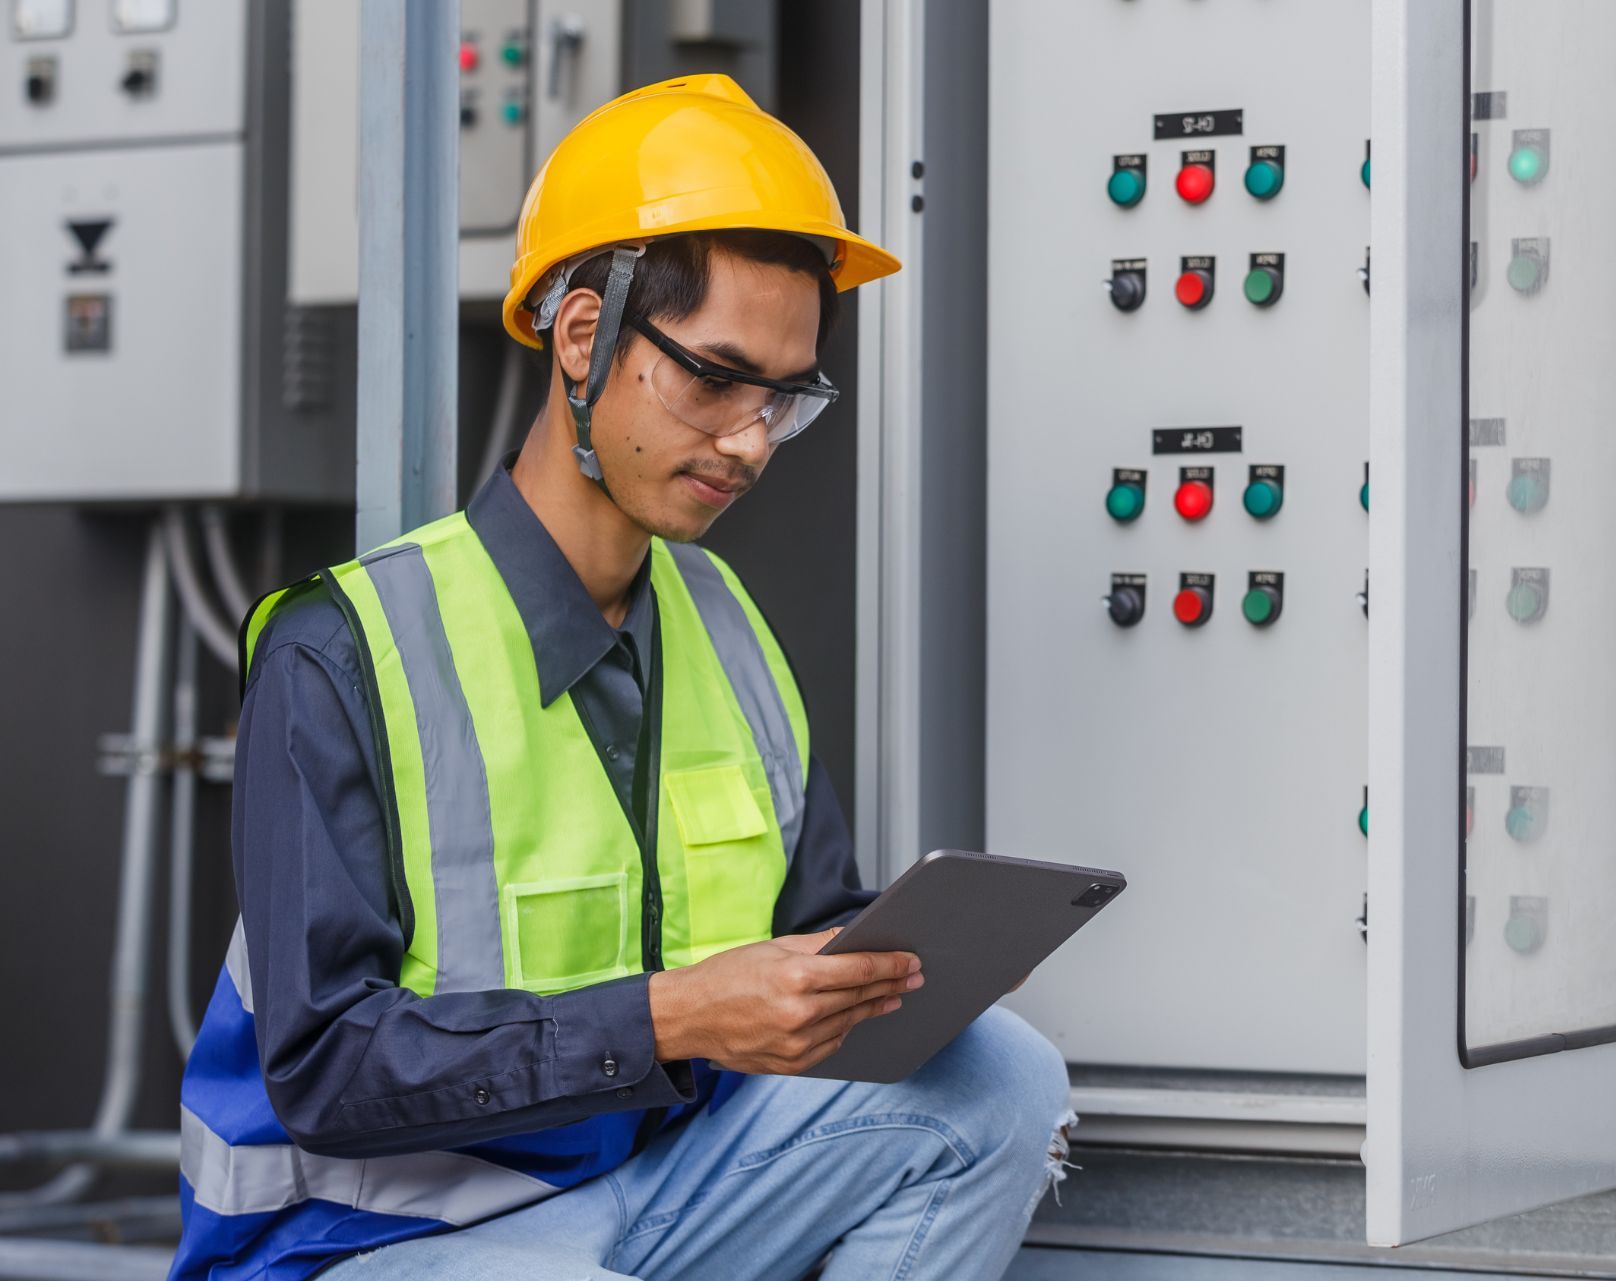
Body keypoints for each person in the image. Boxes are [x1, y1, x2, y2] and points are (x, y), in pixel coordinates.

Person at [171, 74, 1073, 1281]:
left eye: (784, 397)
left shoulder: (721, 622)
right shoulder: (343, 648)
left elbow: (806, 922)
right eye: (714, 377)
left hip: (648, 1193)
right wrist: (675, 1015)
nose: (751, 440)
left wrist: (902, 964)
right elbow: (327, 1067)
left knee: (1000, 1079)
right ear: (584, 337)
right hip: (361, 1244)